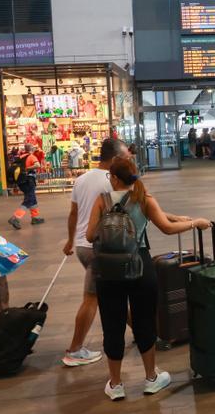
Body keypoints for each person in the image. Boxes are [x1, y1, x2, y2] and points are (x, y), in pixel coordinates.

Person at [86, 157, 211, 401]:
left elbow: (90, 235)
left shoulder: (102, 201)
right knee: (144, 321)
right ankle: (151, 378)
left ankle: (116, 383)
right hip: (140, 266)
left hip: (108, 271)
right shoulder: (143, 198)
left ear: (114, 178)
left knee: (113, 324)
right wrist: (194, 222)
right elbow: (165, 227)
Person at [61, 139, 131, 367]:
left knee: (113, 292)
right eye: (125, 157)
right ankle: (74, 350)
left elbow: (73, 213)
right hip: (99, 248)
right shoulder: (112, 182)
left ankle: (144, 332)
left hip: (82, 246)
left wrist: (71, 240)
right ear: (115, 158)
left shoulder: (82, 179)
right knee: (92, 298)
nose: (128, 160)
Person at [8, 143, 45, 229]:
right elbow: (37, 165)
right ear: (31, 149)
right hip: (29, 181)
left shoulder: (21, 157)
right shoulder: (31, 156)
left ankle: (35, 217)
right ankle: (16, 218)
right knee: (29, 200)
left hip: (21, 182)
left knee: (32, 198)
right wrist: (27, 169)